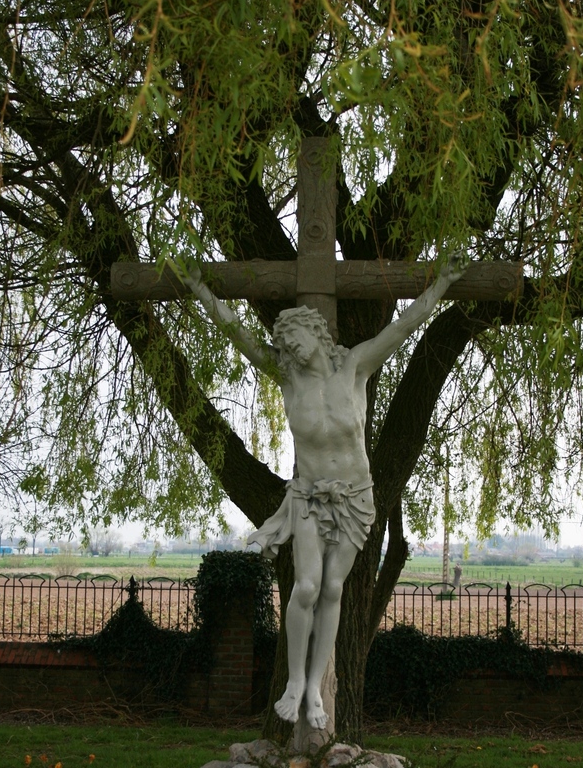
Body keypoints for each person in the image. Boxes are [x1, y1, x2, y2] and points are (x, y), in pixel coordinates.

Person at [176, 256, 465, 728]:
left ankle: (315, 689)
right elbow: (239, 336)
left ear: (316, 332)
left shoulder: (354, 366)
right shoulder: (288, 379)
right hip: (309, 497)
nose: (291, 344)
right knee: (307, 586)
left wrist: (442, 285)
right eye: (285, 340)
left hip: (355, 498)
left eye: (296, 335)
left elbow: (402, 328)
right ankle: (294, 682)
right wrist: (202, 291)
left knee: (333, 588)